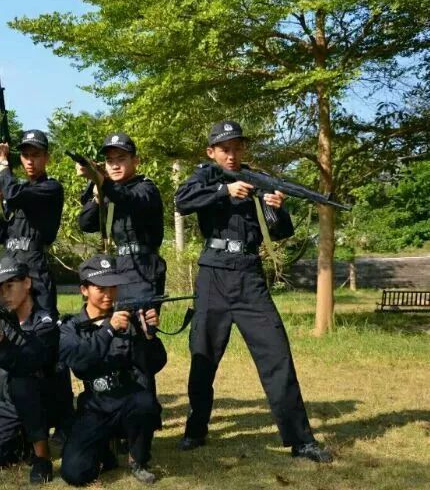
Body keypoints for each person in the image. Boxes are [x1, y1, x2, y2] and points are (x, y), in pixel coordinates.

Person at [173, 120, 333, 463]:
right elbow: (182, 202)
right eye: (224, 149)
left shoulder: (257, 179)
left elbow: (280, 232)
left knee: (277, 355)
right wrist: (224, 191)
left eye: (237, 148)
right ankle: (195, 431)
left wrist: (276, 207)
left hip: (249, 276)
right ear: (211, 152)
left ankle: (301, 440)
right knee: (203, 357)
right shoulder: (205, 176)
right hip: (213, 275)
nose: (231, 155)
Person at [0, 129, 73, 442]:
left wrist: (2, 165)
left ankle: (63, 420)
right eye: (24, 155)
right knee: (8, 339)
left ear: (46, 157)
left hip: (35, 275)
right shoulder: (16, 190)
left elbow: (14, 194)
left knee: (48, 346)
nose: (29, 161)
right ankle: (7, 415)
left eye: (36, 155)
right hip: (9, 273)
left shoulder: (49, 188)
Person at [59, 254, 166, 485]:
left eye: (113, 287)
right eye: (101, 288)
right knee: (74, 473)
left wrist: (149, 336)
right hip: (94, 405)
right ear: (84, 290)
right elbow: (80, 361)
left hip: (126, 398)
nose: (108, 294)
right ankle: (104, 454)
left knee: (145, 403)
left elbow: (153, 365)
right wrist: (108, 329)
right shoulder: (71, 327)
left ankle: (138, 459)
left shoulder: (129, 321)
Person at [76, 132, 166, 406]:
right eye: (109, 160)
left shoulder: (146, 188)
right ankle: (120, 405)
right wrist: (96, 192)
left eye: (121, 158)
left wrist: (102, 181)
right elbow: (86, 223)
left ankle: (145, 412)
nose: (115, 165)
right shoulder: (109, 191)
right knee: (116, 335)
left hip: (143, 268)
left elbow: (130, 200)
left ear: (135, 161)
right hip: (118, 269)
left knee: (141, 338)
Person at [0, 257, 59, 484]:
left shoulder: (45, 320)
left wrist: (0, 337)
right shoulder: (4, 320)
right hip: (12, 402)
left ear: (27, 283)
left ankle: (42, 457)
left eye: (9, 286)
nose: (4, 294)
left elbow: (30, 362)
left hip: (44, 397)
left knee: (22, 380)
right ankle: (23, 442)